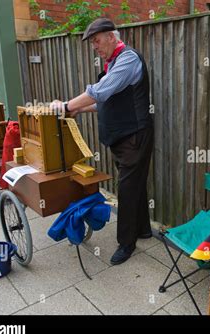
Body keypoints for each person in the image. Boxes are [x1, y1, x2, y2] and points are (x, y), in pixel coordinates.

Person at [51, 18, 154, 266]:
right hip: (124, 138)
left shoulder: (128, 59)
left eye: (97, 41)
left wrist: (65, 106)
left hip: (134, 137)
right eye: (93, 43)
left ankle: (126, 242)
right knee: (135, 184)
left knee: (127, 190)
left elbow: (100, 92)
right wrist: (80, 110)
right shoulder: (114, 62)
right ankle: (143, 230)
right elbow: (107, 103)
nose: (95, 47)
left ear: (111, 36)